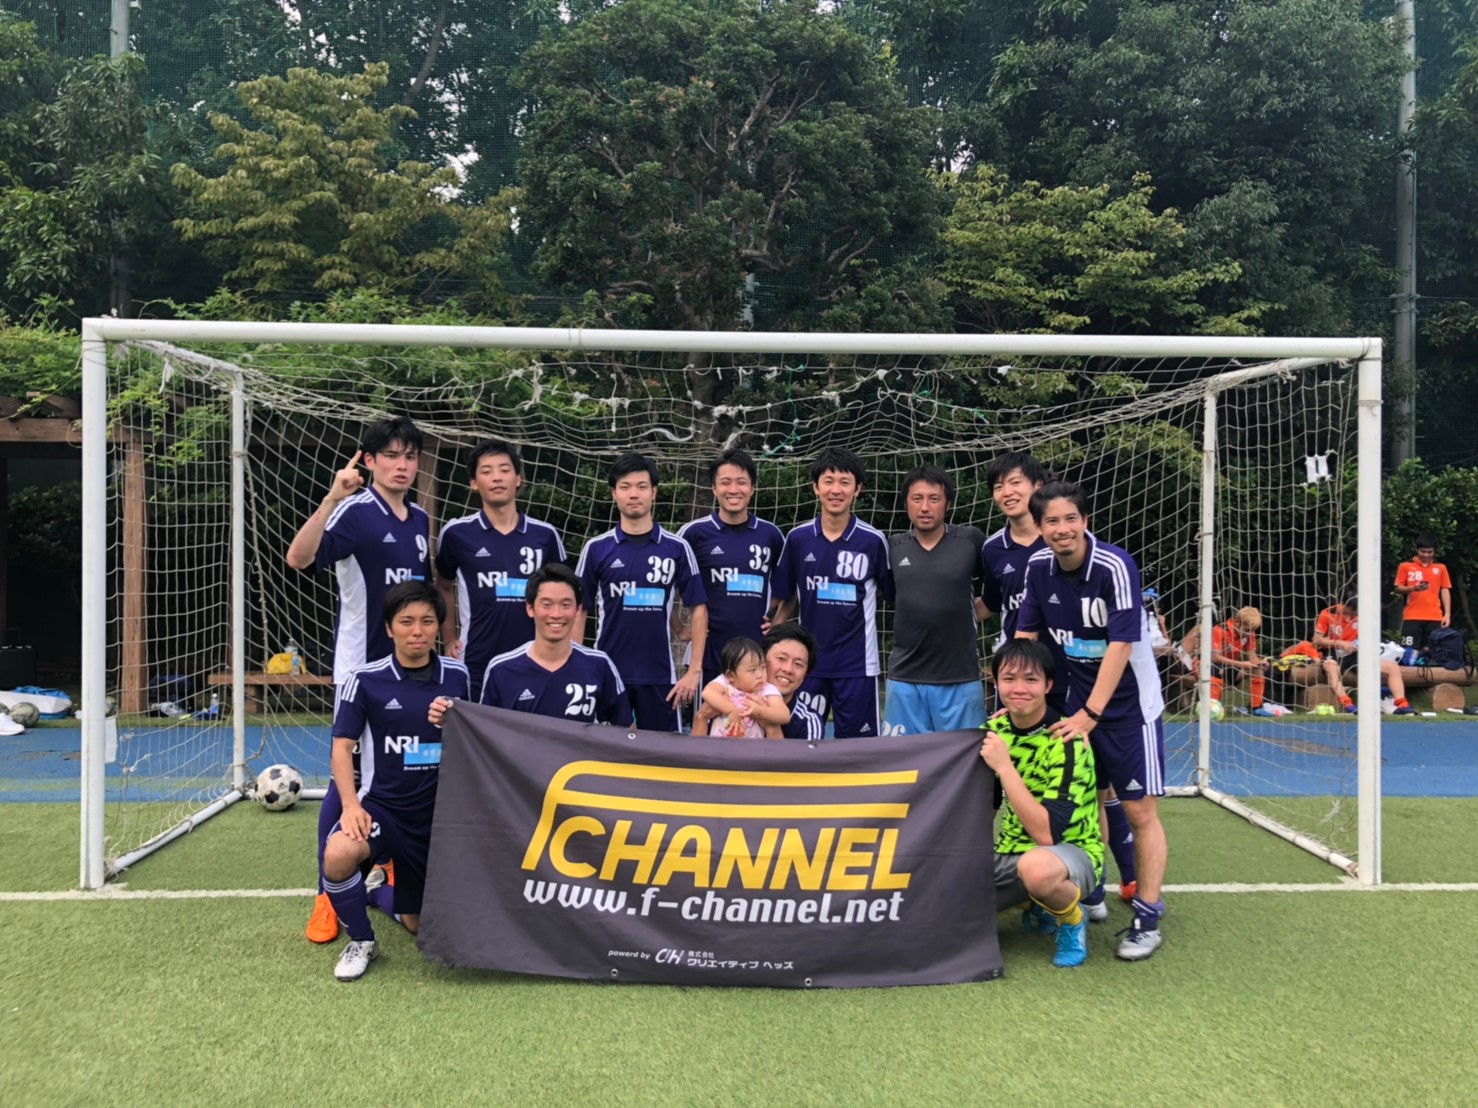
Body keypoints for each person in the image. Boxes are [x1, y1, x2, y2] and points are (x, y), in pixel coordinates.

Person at [283, 415, 432, 945]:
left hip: (411, 670)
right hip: (362, 670)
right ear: (369, 461)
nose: (401, 465)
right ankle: (327, 893)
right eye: (390, 455)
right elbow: (298, 559)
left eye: (409, 456)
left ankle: (386, 866)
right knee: (349, 774)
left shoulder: (420, 519)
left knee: (404, 765)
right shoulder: (353, 510)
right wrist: (330, 498)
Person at [1014, 480, 1169, 961]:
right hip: (1078, 706)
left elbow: (1120, 646)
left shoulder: (1114, 567)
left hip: (1128, 710)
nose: (1061, 529)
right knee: (1089, 801)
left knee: (1140, 811)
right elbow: (1026, 637)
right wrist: (1016, 695)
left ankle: (1147, 917)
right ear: (1039, 527)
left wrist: (1091, 714)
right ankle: (1092, 891)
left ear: (1084, 521)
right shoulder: (1038, 568)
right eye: (1051, 521)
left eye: (1070, 519)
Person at [320, 581, 469, 981]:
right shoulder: (364, 679)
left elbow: (477, 737)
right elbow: (341, 748)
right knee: (338, 854)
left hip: (440, 815)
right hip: (384, 809)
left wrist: (455, 719)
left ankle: (375, 891)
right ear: (389, 628)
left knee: (418, 924)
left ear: (438, 626)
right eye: (406, 621)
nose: (416, 631)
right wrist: (351, 806)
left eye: (427, 621)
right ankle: (361, 940)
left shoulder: (459, 676)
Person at [979, 639, 1103, 969]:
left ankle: (1072, 918)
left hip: (1068, 854)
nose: (1019, 688)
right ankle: (1034, 902)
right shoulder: (992, 731)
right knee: (944, 887)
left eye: (1031, 679)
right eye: (1009, 679)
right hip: (1010, 852)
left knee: (1037, 868)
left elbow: (1047, 835)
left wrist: (1005, 767)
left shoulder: (1067, 741)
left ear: (1048, 685)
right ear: (996, 682)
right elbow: (984, 800)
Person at [575, 452, 708, 731]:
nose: (634, 494)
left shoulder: (677, 548)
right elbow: (578, 609)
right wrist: (577, 666)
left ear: (654, 492)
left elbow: (698, 607)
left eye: (642, 486)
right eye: (625, 486)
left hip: (660, 676)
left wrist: (694, 670)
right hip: (608, 672)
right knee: (604, 751)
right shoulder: (596, 548)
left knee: (663, 754)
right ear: (614, 493)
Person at [770, 448, 893, 738]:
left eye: (844, 482)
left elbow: (893, 595)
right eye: (828, 481)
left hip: (857, 667)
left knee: (859, 750)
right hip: (805, 666)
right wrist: (771, 631)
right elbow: (786, 594)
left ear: (857, 489)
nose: (836, 490)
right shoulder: (798, 538)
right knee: (798, 744)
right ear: (816, 487)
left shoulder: (873, 541)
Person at [434, 439, 566, 700]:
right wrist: (449, 638)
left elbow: (565, 595)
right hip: (476, 662)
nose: (496, 477)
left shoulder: (545, 535)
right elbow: (443, 585)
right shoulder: (457, 533)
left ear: (518, 479)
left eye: (504, 470)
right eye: (487, 471)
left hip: (537, 660)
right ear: (474, 483)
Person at [430, 564, 631, 727]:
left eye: (566, 605)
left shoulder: (599, 665)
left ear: (578, 610)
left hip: (579, 768)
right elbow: (486, 734)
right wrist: (450, 718)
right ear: (530, 608)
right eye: (546, 604)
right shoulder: (502, 670)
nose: (556, 614)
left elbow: (626, 732)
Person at [883, 466, 989, 734]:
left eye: (934, 498)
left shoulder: (970, 541)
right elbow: (892, 597)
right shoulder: (893, 546)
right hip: (905, 677)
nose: (925, 507)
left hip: (960, 677)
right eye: (917, 498)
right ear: (906, 503)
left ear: (948, 503)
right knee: (905, 757)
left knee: (965, 756)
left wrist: (965, 614)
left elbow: (996, 593)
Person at [676, 449, 785, 690]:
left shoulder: (771, 535)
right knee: (706, 714)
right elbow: (663, 586)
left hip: (757, 656)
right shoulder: (693, 533)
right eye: (725, 482)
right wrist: (680, 628)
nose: (734, 489)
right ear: (714, 489)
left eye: (741, 482)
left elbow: (789, 585)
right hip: (707, 655)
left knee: (754, 714)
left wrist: (778, 622)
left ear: (753, 487)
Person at [691, 622, 824, 740]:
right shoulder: (724, 695)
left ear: (806, 674)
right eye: (781, 659)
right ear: (761, 657)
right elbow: (696, 756)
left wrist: (770, 725)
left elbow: (801, 763)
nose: (788, 669)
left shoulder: (808, 722)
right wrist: (702, 717)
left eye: (798, 664)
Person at [1313, 596, 1414, 714]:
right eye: (1352, 611)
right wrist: (1340, 642)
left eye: (1357, 612)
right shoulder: (1327, 613)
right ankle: (1347, 704)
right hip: (1331, 650)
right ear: (1344, 605)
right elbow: (1316, 640)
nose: (1354, 615)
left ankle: (1402, 704)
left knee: (1393, 668)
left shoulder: (1361, 616)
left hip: (1352, 651)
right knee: (1331, 668)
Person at [701, 637, 791, 738]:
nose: (760, 675)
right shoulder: (725, 682)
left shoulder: (766, 689)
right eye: (752, 670)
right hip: (719, 745)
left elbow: (784, 716)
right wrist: (730, 710)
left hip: (752, 747)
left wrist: (760, 711)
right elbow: (707, 693)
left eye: (762, 667)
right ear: (731, 675)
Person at [1195, 607, 1276, 716]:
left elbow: (1252, 657)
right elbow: (1214, 657)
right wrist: (1241, 664)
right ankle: (1210, 709)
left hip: (1229, 667)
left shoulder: (1250, 633)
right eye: (1247, 630)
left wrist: (1260, 664)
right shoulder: (1219, 630)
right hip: (1204, 666)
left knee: (1258, 670)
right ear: (1237, 623)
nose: (1249, 633)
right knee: (1216, 669)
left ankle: (1255, 708)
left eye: (1252, 631)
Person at [1394, 535, 1452, 654]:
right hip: (1411, 616)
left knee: (1434, 652)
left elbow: (1445, 590)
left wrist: (1447, 614)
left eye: (1429, 552)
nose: (1426, 555)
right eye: (1423, 551)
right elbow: (1397, 588)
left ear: (1434, 551)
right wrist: (1413, 588)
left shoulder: (1440, 568)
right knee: (1408, 653)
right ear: (1417, 550)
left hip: (1435, 616)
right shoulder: (1406, 566)